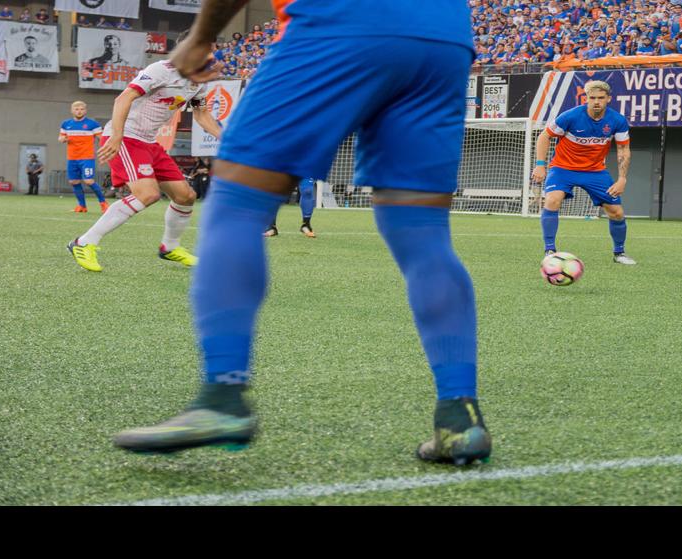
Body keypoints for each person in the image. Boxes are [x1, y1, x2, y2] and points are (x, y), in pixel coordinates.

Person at [110, 0, 491, 467]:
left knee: (237, 205)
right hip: (444, 37)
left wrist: (200, 36)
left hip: (340, 23)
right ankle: (460, 416)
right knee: (423, 233)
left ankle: (222, 397)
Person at [68, 51, 223, 273]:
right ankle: (83, 242)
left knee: (186, 196)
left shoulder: (198, 84)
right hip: (126, 137)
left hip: (149, 142)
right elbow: (124, 98)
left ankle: (169, 247)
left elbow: (202, 115)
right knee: (147, 194)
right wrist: (117, 135)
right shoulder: (162, 70)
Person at [532, 79, 636, 265]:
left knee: (616, 212)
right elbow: (545, 136)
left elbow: (623, 150)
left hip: (595, 171)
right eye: (592, 97)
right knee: (552, 199)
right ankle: (550, 251)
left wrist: (622, 179)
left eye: (601, 98)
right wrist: (540, 164)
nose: (596, 101)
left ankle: (619, 253)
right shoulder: (570, 116)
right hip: (563, 168)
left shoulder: (617, 121)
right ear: (585, 98)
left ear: (608, 99)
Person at [59, 101, 110, 214]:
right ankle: (82, 206)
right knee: (74, 181)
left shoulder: (92, 124)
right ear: (72, 110)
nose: (79, 111)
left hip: (87, 157)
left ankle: (103, 203)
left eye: (82, 109)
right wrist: (63, 139)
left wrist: (105, 152)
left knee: (88, 180)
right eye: (76, 109)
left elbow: (101, 139)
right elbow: (61, 137)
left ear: (85, 111)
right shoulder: (66, 124)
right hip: (72, 158)